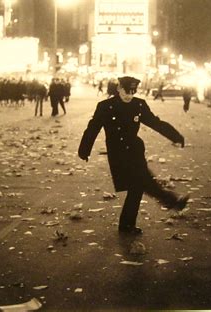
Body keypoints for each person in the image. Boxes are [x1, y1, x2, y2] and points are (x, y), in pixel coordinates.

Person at [78, 76, 189, 235]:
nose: (129, 95)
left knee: (138, 186)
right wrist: (84, 149)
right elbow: (93, 128)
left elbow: (155, 123)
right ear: (118, 88)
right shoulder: (105, 107)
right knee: (141, 184)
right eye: (126, 91)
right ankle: (171, 202)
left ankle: (128, 224)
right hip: (118, 154)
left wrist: (175, 136)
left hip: (135, 151)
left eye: (133, 91)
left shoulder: (139, 105)